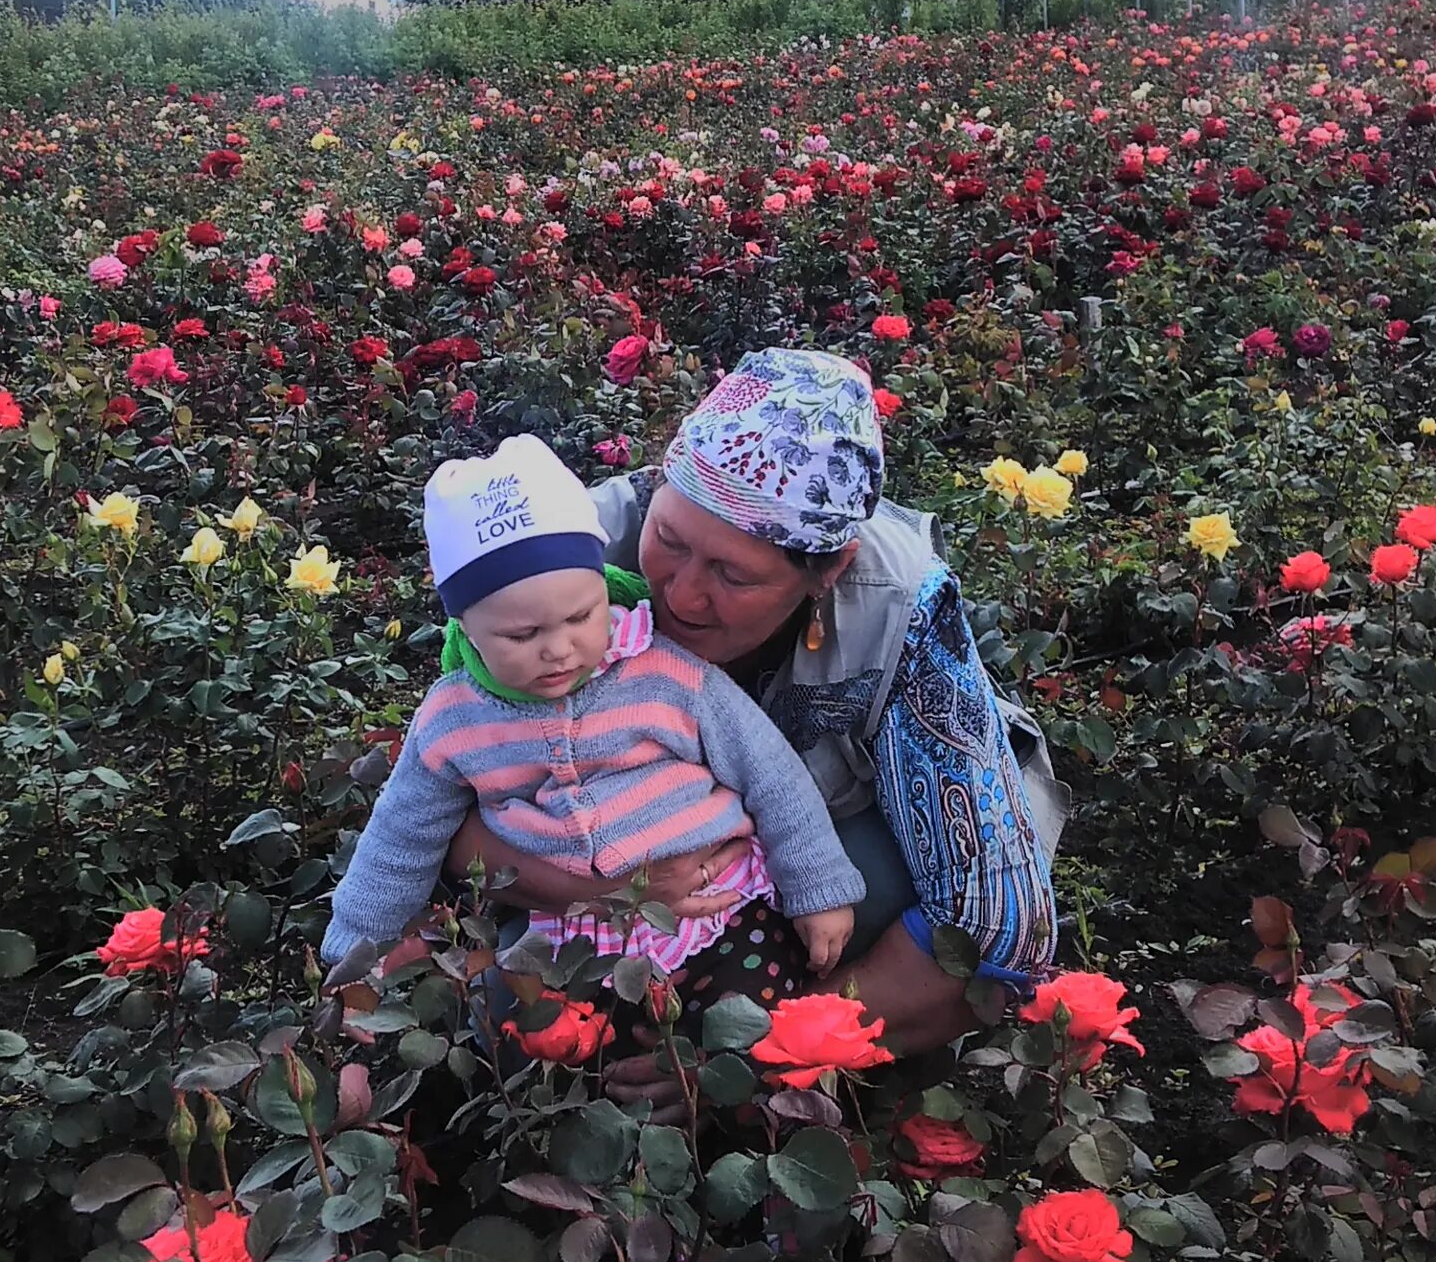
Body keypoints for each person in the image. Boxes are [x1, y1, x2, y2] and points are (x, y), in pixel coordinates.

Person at [448, 348, 1065, 1110]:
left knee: (881, 887)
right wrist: (616, 889)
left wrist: (765, 1053)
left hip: (818, 867)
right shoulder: (555, 557)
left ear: (829, 569)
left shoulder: (899, 606)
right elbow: (445, 816)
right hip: (590, 885)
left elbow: (998, 924)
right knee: (517, 1015)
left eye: (733, 576)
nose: (681, 594)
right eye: (669, 539)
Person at [318, 434, 865, 987]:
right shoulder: (454, 718)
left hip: (723, 906)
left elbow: (770, 773)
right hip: (571, 932)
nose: (558, 649)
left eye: (581, 617)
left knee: (750, 1015)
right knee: (549, 1041)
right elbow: (400, 836)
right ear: (467, 629)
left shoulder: (665, 671)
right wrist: (357, 953)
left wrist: (817, 889)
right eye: (521, 634)